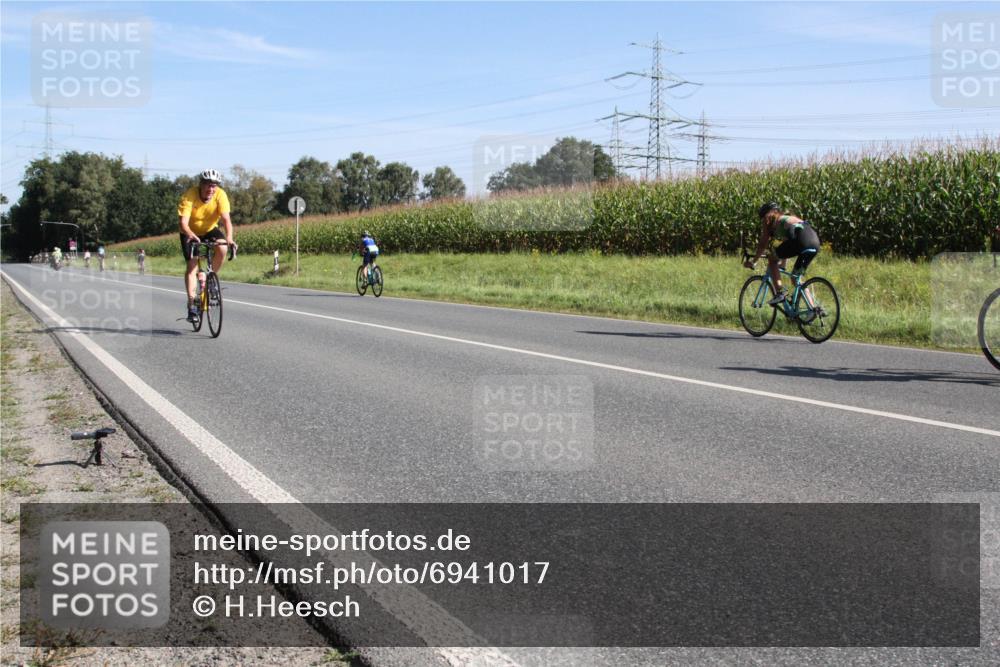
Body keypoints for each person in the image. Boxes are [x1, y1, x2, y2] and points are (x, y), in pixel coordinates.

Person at [178, 169, 236, 321]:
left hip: (210, 229)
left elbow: (226, 220)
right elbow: (183, 223)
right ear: (201, 185)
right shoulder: (190, 195)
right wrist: (191, 234)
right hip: (189, 232)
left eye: (214, 186)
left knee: (222, 247)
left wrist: (229, 238)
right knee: (192, 266)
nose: (211, 189)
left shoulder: (220, 195)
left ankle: (210, 279)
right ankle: (191, 304)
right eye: (208, 185)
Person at [744, 202, 820, 305]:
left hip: (801, 240)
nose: (764, 222)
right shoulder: (787, 219)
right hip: (814, 241)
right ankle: (813, 309)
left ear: (768, 215)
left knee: (772, 259)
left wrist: (754, 262)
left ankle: (780, 293)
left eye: (763, 218)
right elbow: (787, 242)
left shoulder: (775, 222)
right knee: (795, 278)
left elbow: (762, 245)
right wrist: (783, 265)